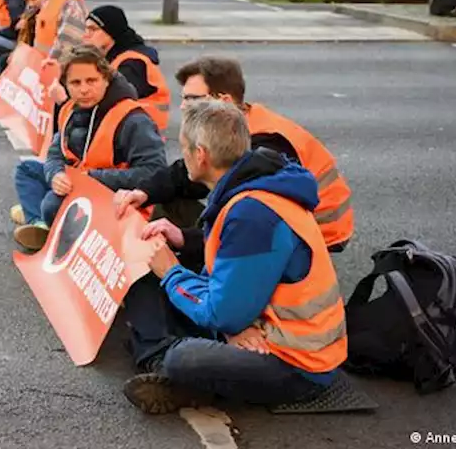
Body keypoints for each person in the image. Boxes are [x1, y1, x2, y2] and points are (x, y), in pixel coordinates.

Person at [119, 99, 347, 414]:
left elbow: (224, 309)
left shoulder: (253, 214)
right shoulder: (249, 188)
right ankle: (167, 361)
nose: (182, 156)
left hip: (295, 362)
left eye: (184, 148)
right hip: (257, 321)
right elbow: (230, 279)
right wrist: (230, 326)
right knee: (145, 274)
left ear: (201, 155)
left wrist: (172, 272)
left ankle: (172, 365)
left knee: (185, 357)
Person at [116, 55, 354, 252]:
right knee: (173, 198)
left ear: (224, 100)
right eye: (183, 98)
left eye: (192, 99)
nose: (183, 106)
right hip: (286, 223)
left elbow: (248, 225)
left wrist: (184, 239)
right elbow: (189, 174)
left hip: (317, 232)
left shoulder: (264, 145)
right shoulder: (235, 123)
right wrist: (144, 192)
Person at [10, 45, 166, 250]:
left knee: (51, 204)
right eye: (75, 83)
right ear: (65, 84)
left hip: (115, 195)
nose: (83, 89)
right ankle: (39, 226)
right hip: (79, 181)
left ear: (106, 79)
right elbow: (56, 153)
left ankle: (39, 218)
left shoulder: (132, 119)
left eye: (91, 81)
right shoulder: (70, 109)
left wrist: (90, 178)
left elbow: (155, 172)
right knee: (27, 170)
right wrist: (56, 175)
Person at [81, 5, 171, 132]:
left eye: (93, 30)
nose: (85, 35)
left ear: (111, 32)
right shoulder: (113, 56)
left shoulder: (133, 63)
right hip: (131, 127)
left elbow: (111, 98)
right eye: (85, 29)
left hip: (140, 132)